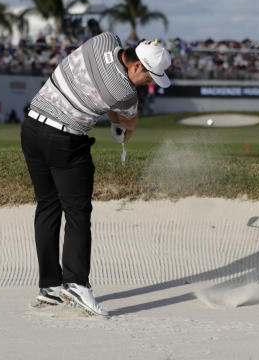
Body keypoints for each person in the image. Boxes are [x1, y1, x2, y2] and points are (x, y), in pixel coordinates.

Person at [22, 34, 172, 316]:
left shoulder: (104, 40)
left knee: (48, 206)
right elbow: (128, 119)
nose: (150, 84)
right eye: (150, 78)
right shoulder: (125, 91)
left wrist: (114, 118)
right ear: (137, 67)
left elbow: (108, 97)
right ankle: (76, 283)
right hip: (63, 141)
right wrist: (124, 131)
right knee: (77, 212)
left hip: (31, 128)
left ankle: (50, 287)